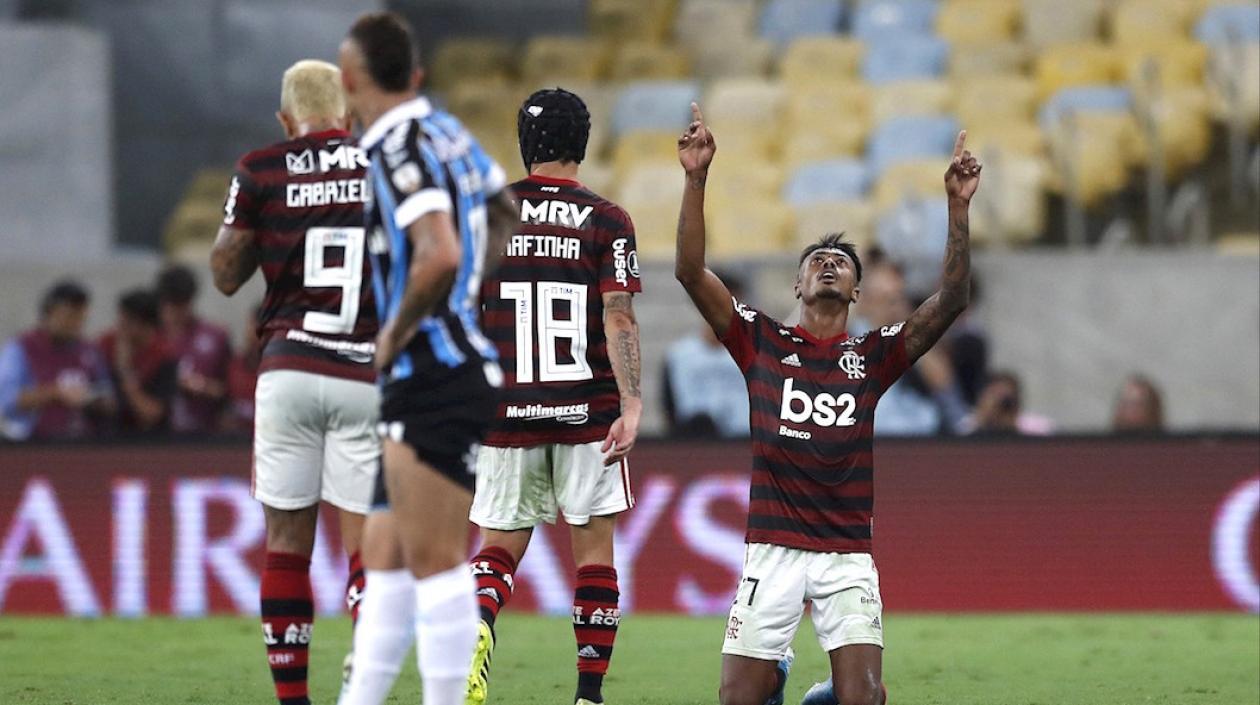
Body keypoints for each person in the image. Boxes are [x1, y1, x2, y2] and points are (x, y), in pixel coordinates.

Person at [674, 103, 981, 705]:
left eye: (842, 262)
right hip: (773, 548)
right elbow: (688, 271)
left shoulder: (873, 355)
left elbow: (950, 299)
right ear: (797, 285)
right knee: (737, 699)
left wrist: (958, 207)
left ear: (857, 292)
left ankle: (822, 696)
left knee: (864, 699)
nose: (829, 262)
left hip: (846, 555)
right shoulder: (759, 340)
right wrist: (695, 177)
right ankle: (777, 678)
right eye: (817, 259)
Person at [335, 13, 517, 705]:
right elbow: (502, 211)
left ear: (350, 80)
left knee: (436, 564)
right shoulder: (447, 130)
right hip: (442, 368)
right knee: (383, 564)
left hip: (433, 374)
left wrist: (397, 333)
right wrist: (468, 292)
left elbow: (438, 250)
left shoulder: (394, 146)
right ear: (414, 74)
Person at [211, 58, 379, 705]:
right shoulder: (378, 164)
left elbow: (226, 272)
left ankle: (293, 700)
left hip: (287, 367)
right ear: (348, 114)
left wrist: (272, 225)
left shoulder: (261, 169)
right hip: (363, 367)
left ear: (286, 119)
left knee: (286, 545)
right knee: (365, 544)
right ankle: (362, 679)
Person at [467, 87, 642, 705]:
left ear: (524, 143)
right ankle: (588, 697)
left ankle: (480, 621)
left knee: (497, 547)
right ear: (582, 144)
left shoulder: (486, 214)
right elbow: (618, 316)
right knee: (593, 553)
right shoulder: (608, 219)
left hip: (507, 409)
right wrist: (633, 404)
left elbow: (462, 310)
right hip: (585, 411)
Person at [0, 280, 114, 441]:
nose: (75, 324)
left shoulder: (90, 351)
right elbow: (6, 400)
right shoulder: (20, 349)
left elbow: (108, 398)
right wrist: (55, 394)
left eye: (80, 317)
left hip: (81, 442)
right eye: (68, 316)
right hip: (31, 443)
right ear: (48, 314)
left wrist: (92, 399)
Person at [663, 271, 750, 439]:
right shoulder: (678, 356)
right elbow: (669, 409)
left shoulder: (755, 353)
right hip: (696, 446)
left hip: (744, 445)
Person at [156, 264, 232, 434]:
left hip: (203, 438)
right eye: (171, 303)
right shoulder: (151, 338)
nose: (177, 311)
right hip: (155, 440)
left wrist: (201, 386)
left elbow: (229, 390)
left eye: (182, 303)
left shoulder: (216, 337)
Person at [99, 289, 179, 436]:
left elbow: (152, 414)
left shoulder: (165, 355)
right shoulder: (105, 345)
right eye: (120, 318)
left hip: (152, 441)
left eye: (127, 321)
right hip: (108, 438)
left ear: (147, 325)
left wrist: (124, 370)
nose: (120, 325)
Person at [959, 370, 1055, 436]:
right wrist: (983, 421)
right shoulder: (968, 425)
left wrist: (1011, 426)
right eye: (995, 394)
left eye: (1006, 397)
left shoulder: (1037, 427)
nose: (1000, 402)